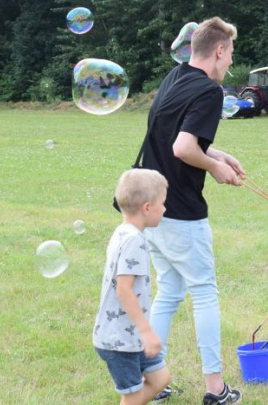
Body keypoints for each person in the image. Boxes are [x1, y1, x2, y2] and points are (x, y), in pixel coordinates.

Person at [141, 16, 245, 404]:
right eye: (230, 53)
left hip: (150, 206)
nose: (230, 62)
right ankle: (216, 389)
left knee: (167, 291)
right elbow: (182, 148)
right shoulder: (209, 91)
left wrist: (219, 153)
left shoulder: (176, 77)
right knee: (203, 292)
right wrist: (215, 168)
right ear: (219, 50)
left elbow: (172, 136)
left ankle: (154, 379)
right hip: (181, 208)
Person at [93, 169, 171, 405]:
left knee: (160, 379)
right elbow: (124, 289)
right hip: (120, 341)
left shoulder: (123, 231)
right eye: (163, 204)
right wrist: (147, 331)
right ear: (147, 208)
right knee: (133, 396)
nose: (165, 209)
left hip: (133, 337)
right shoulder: (133, 240)